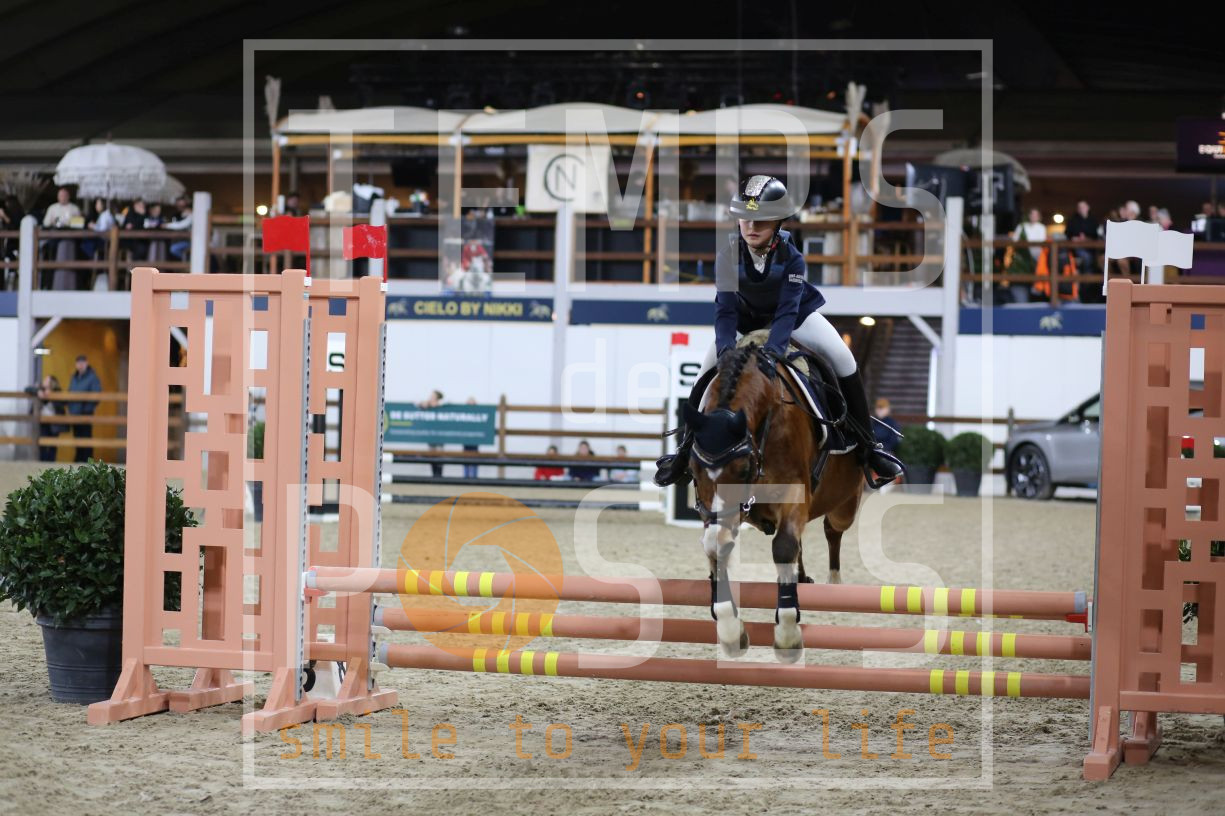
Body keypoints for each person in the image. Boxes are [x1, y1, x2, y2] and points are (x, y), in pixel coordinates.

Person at [654, 175, 902, 489]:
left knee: (843, 358)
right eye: (745, 218)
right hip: (744, 321)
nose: (751, 226)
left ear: (778, 222)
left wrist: (773, 352)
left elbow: (786, 313)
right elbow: (725, 311)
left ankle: (869, 447)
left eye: (761, 220)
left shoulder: (792, 259)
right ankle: (684, 451)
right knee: (704, 374)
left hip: (796, 318)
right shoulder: (727, 256)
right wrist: (726, 348)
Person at [67, 355, 102, 462]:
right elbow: (70, 392)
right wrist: (70, 407)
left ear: (87, 363)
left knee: (86, 438)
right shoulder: (74, 377)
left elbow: (97, 395)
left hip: (86, 413)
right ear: (76, 364)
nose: (80, 365)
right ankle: (78, 461)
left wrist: (86, 408)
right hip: (74, 413)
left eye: (82, 363)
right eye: (78, 363)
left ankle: (87, 462)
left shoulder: (92, 377)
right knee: (77, 438)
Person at [31, 375, 65, 462]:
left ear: (52, 383)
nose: (44, 381)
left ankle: (51, 462)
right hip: (43, 422)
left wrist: (50, 395)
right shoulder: (40, 390)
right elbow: (27, 389)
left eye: (47, 380)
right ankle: (43, 461)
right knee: (42, 443)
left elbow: (61, 406)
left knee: (53, 444)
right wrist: (38, 391)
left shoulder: (57, 392)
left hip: (55, 423)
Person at [420, 389, 444, 477]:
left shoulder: (442, 407)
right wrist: (425, 404)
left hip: (440, 436)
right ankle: (434, 475)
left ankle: (439, 475)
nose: (431, 397)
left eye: (433, 396)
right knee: (431, 456)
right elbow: (419, 405)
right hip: (431, 436)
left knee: (439, 456)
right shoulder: (428, 406)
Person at [165, 196, 193, 261]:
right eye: (178, 205)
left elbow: (182, 225)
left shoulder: (191, 214)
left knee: (174, 249)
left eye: (182, 206)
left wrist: (166, 225)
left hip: (190, 240)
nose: (180, 207)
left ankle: (187, 261)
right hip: (179, 240)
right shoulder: (176, 215)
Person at [461, 397, 479, 479]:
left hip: (475, 438)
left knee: (475, 457)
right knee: (465, 457)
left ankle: (474, 476)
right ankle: (466, 476)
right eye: (469, 404)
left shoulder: (478, 413)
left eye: (472, 404)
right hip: (466, 439)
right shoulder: (463, 414)